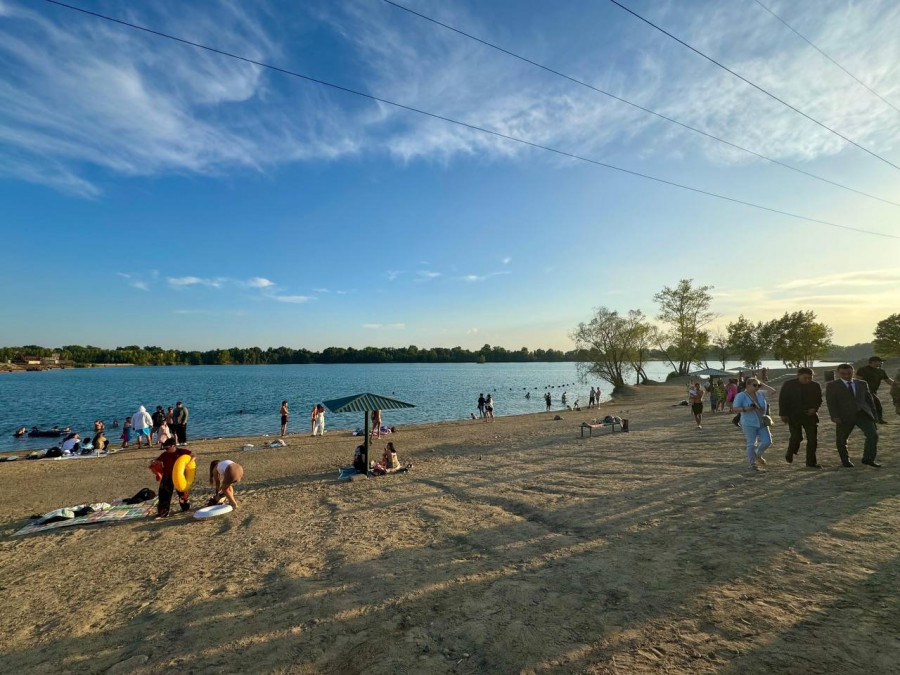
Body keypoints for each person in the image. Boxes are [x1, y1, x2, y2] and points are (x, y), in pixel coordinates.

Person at [825, 363, 880, 468]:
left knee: (873, 436)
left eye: (849, 373)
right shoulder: (832, 385)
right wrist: (834, 416)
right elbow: (831, 402)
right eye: (843, 373)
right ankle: (845, 461)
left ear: (853, 372)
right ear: (838, 373)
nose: (846, 375)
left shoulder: (862, 383)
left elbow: (869, 399)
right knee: (842, 439)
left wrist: (874, 414)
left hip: (863, 414)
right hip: (844, 416)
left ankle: (868, 459)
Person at [778, 367, 823, 468]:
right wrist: (783, 414)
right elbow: (782, 400)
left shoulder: (815, 386)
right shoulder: (788, 384)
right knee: (796, 437)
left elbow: (819, 400)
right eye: (805, 378)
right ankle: (790, 452)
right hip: (793, 415)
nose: (807, 380)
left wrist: (815, 409)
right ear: (798, 376)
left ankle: (811, 462)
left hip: (810, 416)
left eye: (810, 378)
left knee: (812, 440)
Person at [733, 378, 775, 471]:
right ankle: (752, 463)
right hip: (748, 422)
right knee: (751, 443)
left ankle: (757, 455)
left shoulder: (760, 393)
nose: (757, 387)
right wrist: (745, 409)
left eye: (758, 385)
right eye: (754, 385)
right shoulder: (741, 395)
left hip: (762, 421)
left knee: (767, 441)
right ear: (747, 385)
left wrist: (762, 385)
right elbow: (735, 408)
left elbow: (773, 391)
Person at [151, 438, 194, 518]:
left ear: (173, 446)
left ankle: (185, 508)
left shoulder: (181, 452)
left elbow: (193, 456)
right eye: (164, 448)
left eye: (167, 448)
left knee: (182, 493)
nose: (166, 449)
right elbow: (157, 461)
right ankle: (163, 512)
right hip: (167, 476)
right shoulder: (164, 454)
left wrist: (189, 463)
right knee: (164, 494)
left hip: (179, 476)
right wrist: (153, 462)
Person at [856, 356, 893, 424]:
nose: (881, 363)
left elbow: (888, 381)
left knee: (874, 405)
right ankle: (877, 420)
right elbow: (857, 381)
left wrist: (897, 385)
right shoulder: (863, 370)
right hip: (864, 392)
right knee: (876, 404)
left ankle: (877, 419)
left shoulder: (881, 371)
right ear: (874, 362)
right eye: (880, 361)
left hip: (873, 391)